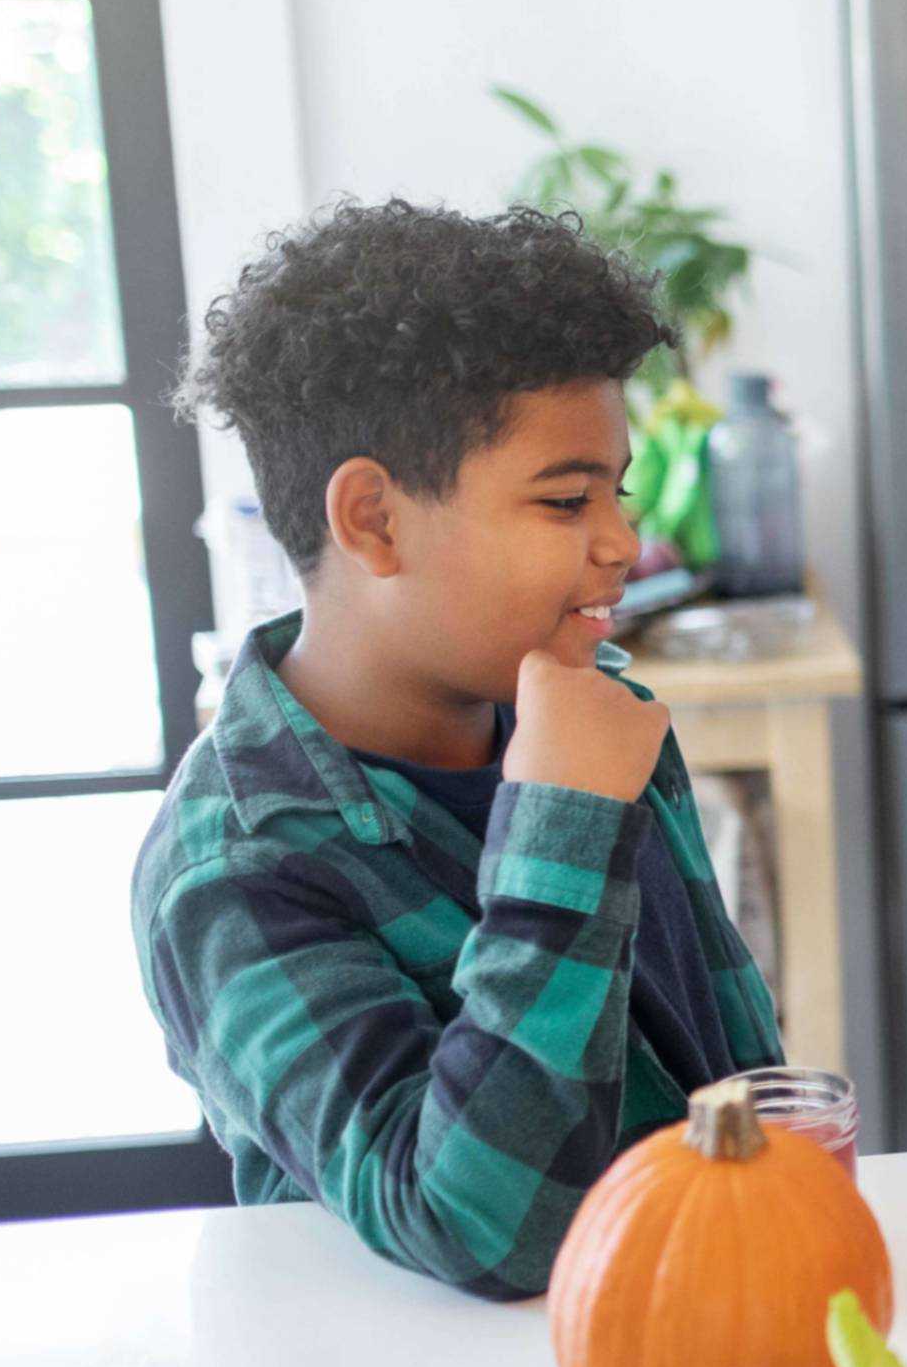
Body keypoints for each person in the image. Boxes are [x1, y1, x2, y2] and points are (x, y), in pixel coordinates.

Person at [134, 202, 781, 1295]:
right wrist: (561, 831)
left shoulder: (590, 709)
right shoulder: (236, 869)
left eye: (613, 492)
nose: (622, 543)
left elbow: (720, 1057)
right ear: (374, 521)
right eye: (566, 498)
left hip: (693, 1329)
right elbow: (478, 1227)